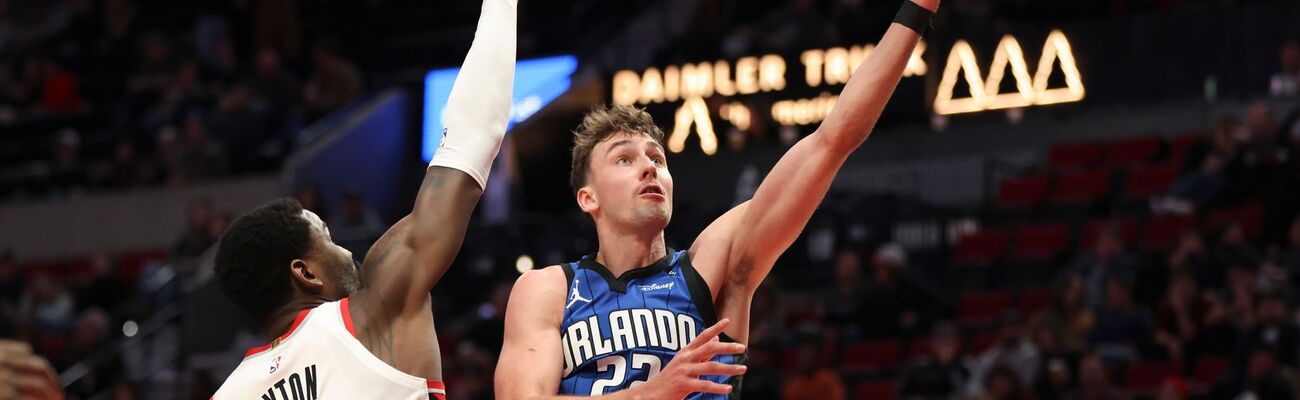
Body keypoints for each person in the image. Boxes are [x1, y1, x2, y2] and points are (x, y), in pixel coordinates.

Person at [494, 1, 940, 398]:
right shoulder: (549, 289)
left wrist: (918, 9)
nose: (650, 167)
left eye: (657, 158)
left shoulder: (711, 267)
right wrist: (652, 394)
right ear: (588, 198)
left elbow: (831, 140)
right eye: (624, 160)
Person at [209, 0, 516, 397]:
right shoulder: (371, 314)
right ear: (305, 273)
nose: (348, 252)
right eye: (328, 238)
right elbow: (470, 141)